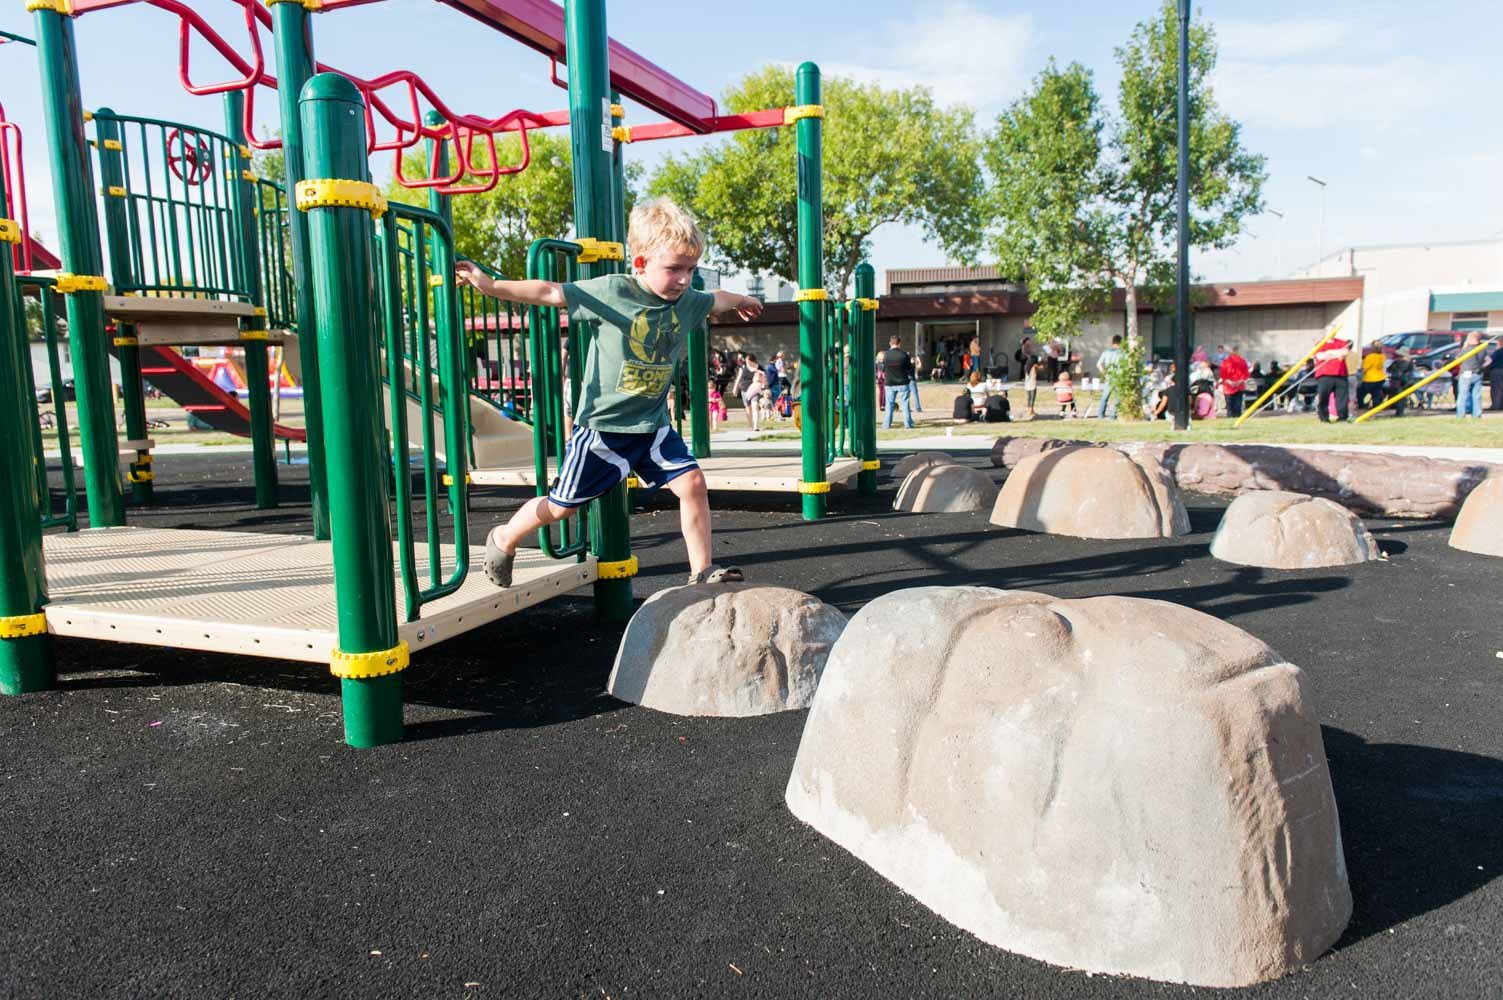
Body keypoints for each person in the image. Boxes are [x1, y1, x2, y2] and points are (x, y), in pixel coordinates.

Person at [455, 197, 763, 588]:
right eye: (674, 269)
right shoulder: (614, 291)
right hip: (602, 430)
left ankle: (701, 571)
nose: (685, 279)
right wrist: (492, 285)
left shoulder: (687, 300)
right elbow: (551, 292)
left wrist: (743, 300)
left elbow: (715, 301)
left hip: (652, 426)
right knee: (562, 507)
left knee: (692, 483)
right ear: (641, 263)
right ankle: (504, 536)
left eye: (690, 269)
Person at [1311, 328, 1352, 423]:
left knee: (1342, 397)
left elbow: (1344, 352)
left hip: (1340, 374)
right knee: (1323, 397)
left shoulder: (1341, 342)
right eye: (1330, 330)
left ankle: (1342, 417)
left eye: (1334, 330)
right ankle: (1324, 418)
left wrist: (1329, 353)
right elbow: (1319, 356)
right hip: (1324, 375)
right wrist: (1335, 353)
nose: (1332, 332)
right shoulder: (1320, 344)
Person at [881, 333, 915, 429]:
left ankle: (886, 425)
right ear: (899, 343)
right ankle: (908, 424)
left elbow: (883, 368)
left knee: (889, 405)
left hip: (889, 382)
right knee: (905, 405)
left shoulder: (885, 355)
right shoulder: (904, 355)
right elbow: (909, 368)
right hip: (903, 382)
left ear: (890, 343)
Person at [1455, 330, 1485, 419]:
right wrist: (1481, 366)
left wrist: (1464, 346)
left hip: (1466, 373)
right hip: (1478, 373)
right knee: (1476, 395)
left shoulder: (1467, 349)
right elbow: (1488, 360)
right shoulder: (1482, 349)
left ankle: (1461, 414)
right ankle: (1477, 414)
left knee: (1463, 395)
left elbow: (1457, 359)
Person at [1095, 335, 1124, 419]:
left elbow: (1099, 364)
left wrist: (1105, 373)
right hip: (1119, 377)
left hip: (1109, 377)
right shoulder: (1122, 352)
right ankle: (1113, 415)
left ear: (1112, 342)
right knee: (1117, 397)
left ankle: (1100, 414)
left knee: (1105, 397)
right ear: (1121, 342)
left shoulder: (1106, 352)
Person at [1219, 345, 1250, 419]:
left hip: (1228, 387)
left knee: (1229, 408)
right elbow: (1246, 375)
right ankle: (1237, 419)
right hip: (1239, 386)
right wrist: (1239, 382)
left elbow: (1223, 375)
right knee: (1238, 407)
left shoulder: (1225, 362)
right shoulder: (1243, 361)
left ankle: (1230, 419)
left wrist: (1230, 382)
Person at [1357, 344, 1387, 409]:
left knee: (1360, 393)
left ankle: (1361, 406)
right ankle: (1376, 406)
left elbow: (1365, 369)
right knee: (1376, 394)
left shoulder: (1369, 357)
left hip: (1369, 379)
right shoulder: (1382, 356)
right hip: (1380, 378)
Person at [1385, 349, 1414, 417]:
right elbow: (1411, 373)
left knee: (1397, 398)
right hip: (1404, 382)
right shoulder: (1409, 363)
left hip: (1395, 382)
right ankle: (1400, 412)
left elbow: (1388, 370)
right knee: (1402, 399)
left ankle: (1398, 412)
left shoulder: (1396, 362)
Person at [1487, 340, 1503, 411]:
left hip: (1497, 371)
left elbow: (1490, 360)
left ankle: (1496, 406)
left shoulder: (1498, 351)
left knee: (1496, 390)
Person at [1023, 354, 1039, 418]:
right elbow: (1039, 369)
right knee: (1032, 398)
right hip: (1032, 384)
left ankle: (1029, 409)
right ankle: (1031, 410)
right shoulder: (1034, 366)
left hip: (1027, 384)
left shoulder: (1026, 366)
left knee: (1029, 397)